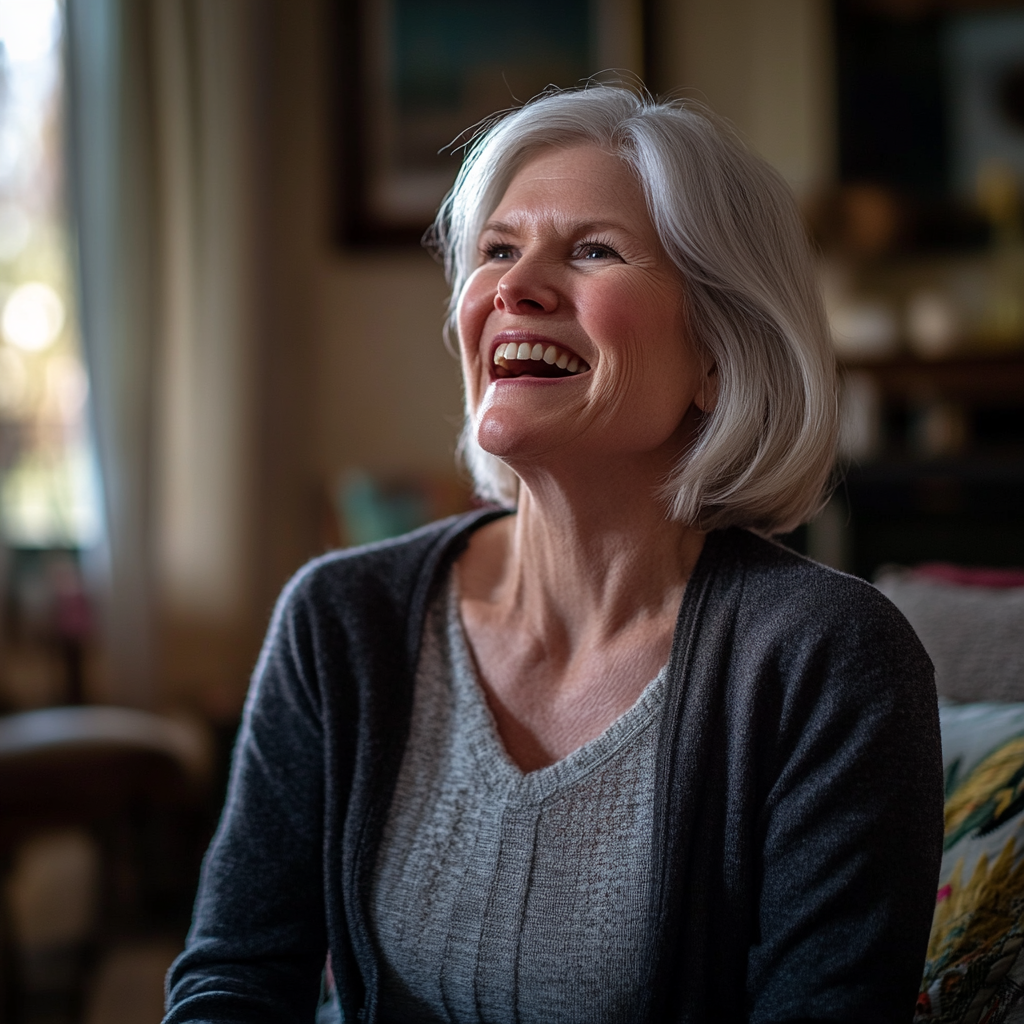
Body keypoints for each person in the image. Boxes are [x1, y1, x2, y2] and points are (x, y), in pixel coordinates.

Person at [164, 86, 943, 1024]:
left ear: (720, 357)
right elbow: (232, 981)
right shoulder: (342, 616)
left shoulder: (830, 660)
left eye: (592, 251)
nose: (513, 288)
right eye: (497, 249)